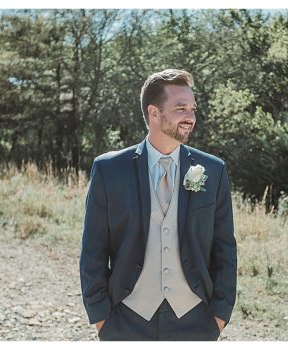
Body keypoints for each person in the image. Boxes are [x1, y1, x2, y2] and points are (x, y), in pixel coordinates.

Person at [80, 69, 236, 340]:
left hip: (196, 320)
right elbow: (93, 250)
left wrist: (218, 317)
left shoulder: (213, 170)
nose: (190, 117)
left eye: (192, 109)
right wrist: (101, 318)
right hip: (126, 319)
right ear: (154, 113)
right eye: (180, 109)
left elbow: (224, 250)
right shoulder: (109, 169)